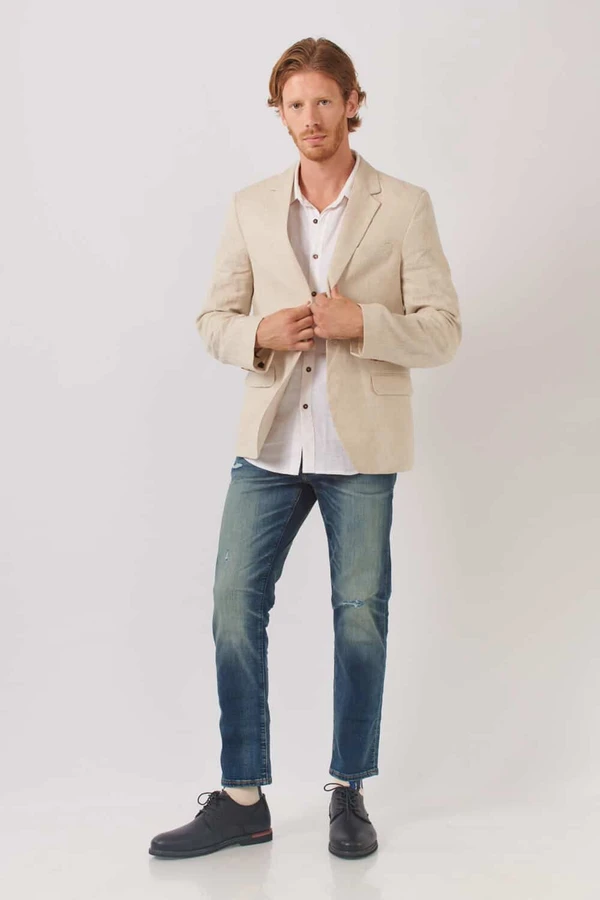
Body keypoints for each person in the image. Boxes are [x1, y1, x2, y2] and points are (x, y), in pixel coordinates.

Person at [149, 35, 461, 861]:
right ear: (279, 113)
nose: (311, 118)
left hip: (360, 450)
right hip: (270, 443)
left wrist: (364, 324)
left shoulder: (405, 205)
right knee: (233, 606)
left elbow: (443, 330)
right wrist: (259, 333)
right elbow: (213, 319)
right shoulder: (252, 206)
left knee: (360, 618)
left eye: (325, 101)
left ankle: (348, 789)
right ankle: (242, 799)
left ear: (353, 104)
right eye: (295, 105)